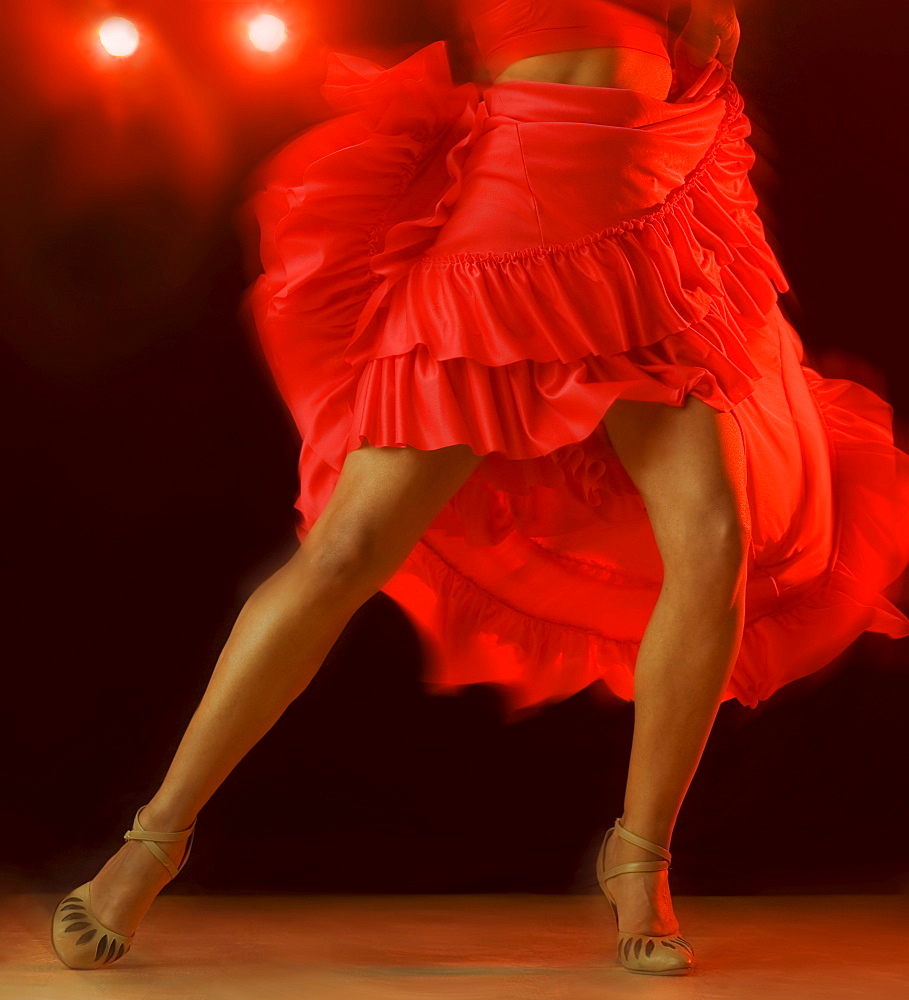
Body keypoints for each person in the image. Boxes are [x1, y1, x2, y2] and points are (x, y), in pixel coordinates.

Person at [51, 0, 909, 978]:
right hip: (514, 219)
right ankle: (151, 843)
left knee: (715, 540)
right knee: (348, 547)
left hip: (648, 213)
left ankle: (640, 855)